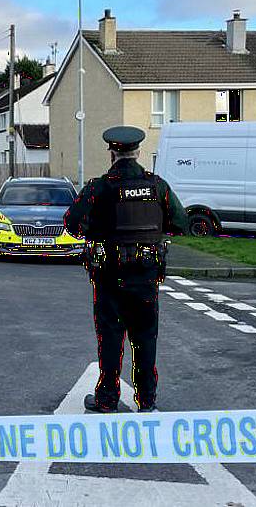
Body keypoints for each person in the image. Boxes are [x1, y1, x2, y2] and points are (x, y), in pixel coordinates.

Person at [63, 126, 187, 413]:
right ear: (139, 152)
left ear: (112, 153)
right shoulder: (157, 186)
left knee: (110, 338)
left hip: (109, 276)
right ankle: (147, 400)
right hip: (145, 277)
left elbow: (71, 223)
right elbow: (180, 223)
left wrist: (94, 229)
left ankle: (106, 399)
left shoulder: (99, 187)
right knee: (145, 338)